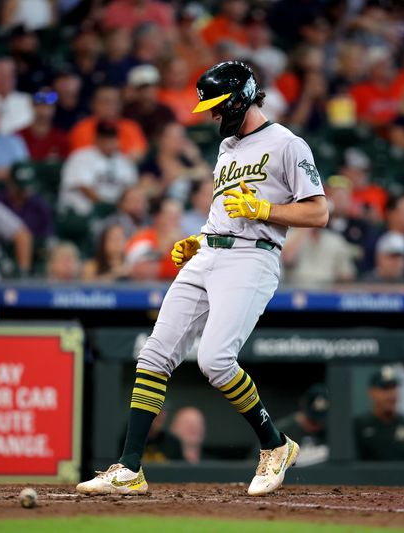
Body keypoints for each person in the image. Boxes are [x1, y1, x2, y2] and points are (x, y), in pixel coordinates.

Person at [76, 61, 328, 497]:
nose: (212, 115)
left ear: (239, 98)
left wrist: (266, 211)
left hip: (253, 259)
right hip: (210, 254)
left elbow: (319, 212)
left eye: (216, 106)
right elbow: (226, 213)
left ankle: (275, 445)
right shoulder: (228, 146)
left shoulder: (288, 144)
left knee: (215, 361)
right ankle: (130, 468)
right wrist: (198, 241)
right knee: (153, 355)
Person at [59, 121, 138, 217]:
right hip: (82, 213)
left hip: (115, 215)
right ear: (96, 139)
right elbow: (84, 188)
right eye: (104, 138)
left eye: (112, 138)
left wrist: (120, 206)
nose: (109, 142)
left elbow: (130, 189)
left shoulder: (125, 162)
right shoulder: (80, 157)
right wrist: (109, 207)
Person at [354, 366, 404, 461]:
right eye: (385, 388)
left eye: (394, 388)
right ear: (371, 392)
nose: (391, 395)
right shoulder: (358, 426)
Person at [273, 384, 329, 467]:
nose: (317, 425)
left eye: (320, 420)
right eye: (312, 421)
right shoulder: (279, 432)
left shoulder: (330, 432)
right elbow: (254, 463)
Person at [15, 88, 69, 161]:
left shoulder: (61, 138)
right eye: (40, 105)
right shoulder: (18, 137)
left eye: (48, 107)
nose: (44, 111)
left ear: (54, 109)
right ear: (32, 106)